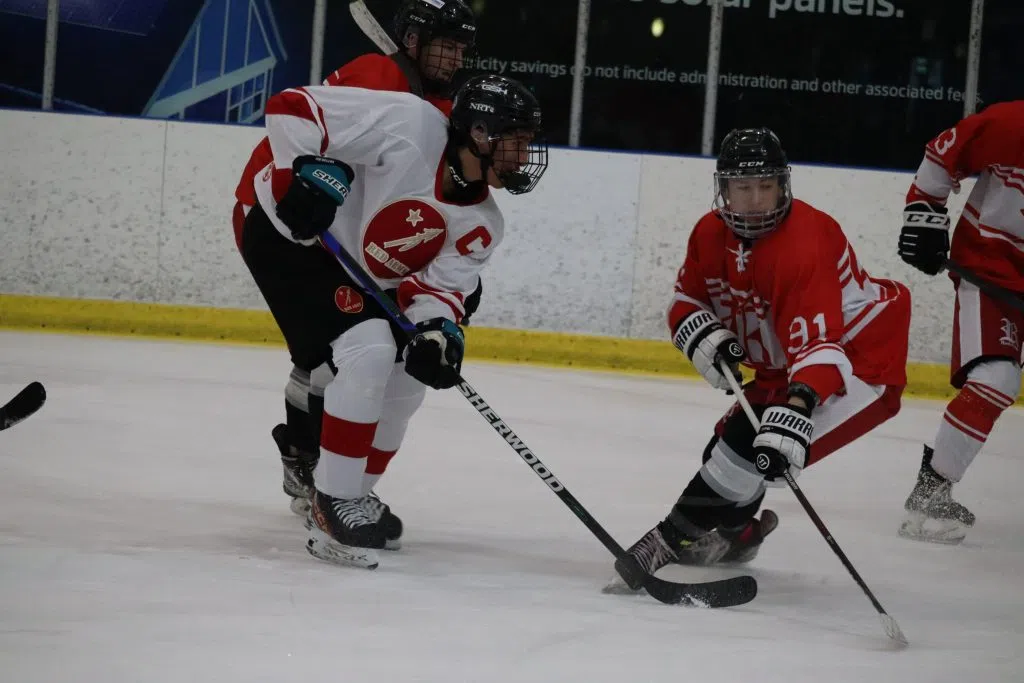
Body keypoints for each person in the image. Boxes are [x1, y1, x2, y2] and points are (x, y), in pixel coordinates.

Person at [238, 74, 547, 570]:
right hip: (291, 241)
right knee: (370, 349)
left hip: (355, 272)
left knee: (407, 377)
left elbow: (435, 293)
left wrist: (437, 333)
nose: (524, 156)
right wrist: (294, 176)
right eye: (517, 141)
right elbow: (292, 107)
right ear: (479, 133)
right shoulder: (410, 124)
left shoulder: (484, 223)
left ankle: (350, 494)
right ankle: (332, 504)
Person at [606, 128, 911, 591]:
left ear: (782, 186)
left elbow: (820, 345)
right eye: (742, 187)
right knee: (722, 454)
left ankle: (660, 547)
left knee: (747, 453)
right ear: (723, 189)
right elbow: (687, 298)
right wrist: (699, 330)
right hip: (782, 368)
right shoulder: (708, 233)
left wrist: (799, 407)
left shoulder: (804, 243)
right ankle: (739, 536)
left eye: (765, 186)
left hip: (856, 364)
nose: (754, 201)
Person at [232, 0, 481, 536]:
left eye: (462, 47)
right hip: (279, 216)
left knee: (359, 352)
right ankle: (306, 464)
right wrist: (301, 180)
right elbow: (299, 125)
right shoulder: (379, 75)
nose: (457, 57)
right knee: (336, 354)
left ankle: (329, 476)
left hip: (341, 233)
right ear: (412, 40)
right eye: (447, 44)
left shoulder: (435, 103)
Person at [895, 100, 1024, 544]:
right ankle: (932, 492)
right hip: (991, 272)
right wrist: (923, 214)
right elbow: (942, 154)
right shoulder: (1011, 124)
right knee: (996, 379)